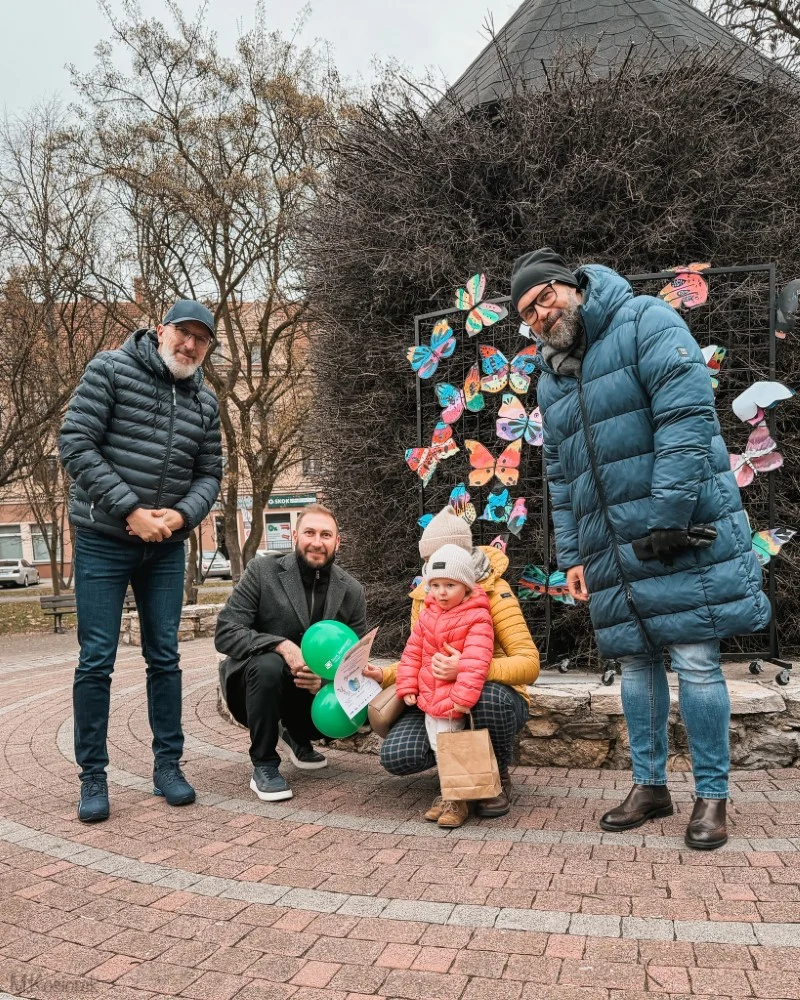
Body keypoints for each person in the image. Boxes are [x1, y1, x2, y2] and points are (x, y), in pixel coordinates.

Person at [511, 247, 771, 850]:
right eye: (528, 314)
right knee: (634, 664)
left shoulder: (645, 321)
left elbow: (686, 418)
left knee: (697, 662)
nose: (541, 317)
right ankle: (650, 787)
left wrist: (668, 518)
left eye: (544, 298)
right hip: (609, 545)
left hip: (676, 530)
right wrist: (573, 554)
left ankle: (712, 795)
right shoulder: (551, 375)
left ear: (570, 284)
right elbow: (559, 473)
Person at [59, 300, 222, 823]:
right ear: (160, 331)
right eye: (183, 333)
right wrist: (131, 510)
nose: (190, 345)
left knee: (166, 658)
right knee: (97, 659)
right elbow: (76, 444)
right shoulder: (109, 369)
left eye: (202, 339)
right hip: (104, 537)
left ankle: (168, 766)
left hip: (167, 546)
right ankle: (93, 776)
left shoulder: (205, 402)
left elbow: (210, 474)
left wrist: (179, 518)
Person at [365, 506, 539, 818]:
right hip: (438, 693)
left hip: (488, 694)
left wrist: (470, 668)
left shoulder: (496, 592)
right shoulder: (426, 595)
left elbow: (529, 664)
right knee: (399, 755)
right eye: (429, 564)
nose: (433, 572)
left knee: (489, 698)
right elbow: (418, 652)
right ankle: (459, 780)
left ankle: (495, 778)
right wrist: (386, 675)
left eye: (439, 560)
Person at [215, 504, 367, 802]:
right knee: (269, 664)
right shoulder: (263, 572)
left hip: (310, 699)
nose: (317, 541)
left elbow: (356, 663)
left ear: (338, 542)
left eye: (326, 534)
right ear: (295, 536)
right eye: (309, 532)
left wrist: (323, 683)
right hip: (256, 688)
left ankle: (295, 734)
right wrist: (281, 646)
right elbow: (226, 632)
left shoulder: (352, 590)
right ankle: (264, 765)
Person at [395, 545, 495, 829]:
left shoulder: (477, 616)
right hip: (430, 696)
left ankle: (458, 800)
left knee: (452, 747)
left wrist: (463, 697)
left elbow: (476, 661)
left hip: (453, 698)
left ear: (466, 586)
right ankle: (448, 792)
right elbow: (412, 652)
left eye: (450, 585)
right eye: (435, 585)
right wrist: (407, 685)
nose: (441, 592)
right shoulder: (428, 614)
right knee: (439, 746)